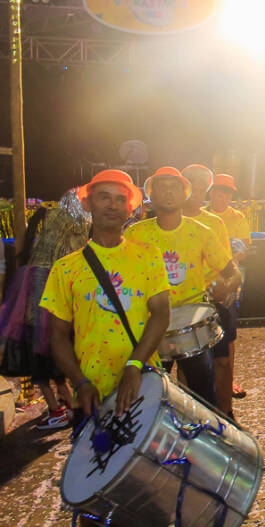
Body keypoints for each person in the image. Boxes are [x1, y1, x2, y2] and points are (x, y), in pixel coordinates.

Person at [40, 170, 171, 423]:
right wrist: (80, 382)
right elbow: (57, 336)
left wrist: (134, 366)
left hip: (143, 384)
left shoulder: (148, 256)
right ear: (88, 203)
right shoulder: (65, 268)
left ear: (130, 209)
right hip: (91, 396)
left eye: (121, 199)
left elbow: (161, 314)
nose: (113, 205)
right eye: (104, 197)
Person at [125, 167, 241, 412]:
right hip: (150, 327)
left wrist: (228, 286)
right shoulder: (135, 234)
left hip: (192, 327)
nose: (168, 193)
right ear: (151, 195)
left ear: (183, 194)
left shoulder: (201, 231)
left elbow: (234, 272)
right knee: (152, 397)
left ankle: (212, 428)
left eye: (174, 188)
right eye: (162, 188)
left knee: (204, 398)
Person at [0, 190, 90, 429]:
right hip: (52, 306)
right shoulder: (78, 226)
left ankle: (60, 410)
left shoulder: (53, 221)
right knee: (54, 364)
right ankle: (66, 408)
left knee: (43, 363)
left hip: (39, 306)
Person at [180, 164, 244, 412]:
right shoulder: (166, 223)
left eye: (201, 186)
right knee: (186, 366)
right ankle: (193, 416)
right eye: (192, 185)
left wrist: (226, 287)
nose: (197, 190)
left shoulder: (215, 223)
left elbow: (229, 265)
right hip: (181, 305)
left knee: (222, 362)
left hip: (213, 301)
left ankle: (226, 415)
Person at [204, 174, 251, 399]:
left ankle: (228, 380)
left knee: (228, 333)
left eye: (227, 192)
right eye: (218, 191)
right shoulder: (200, 215)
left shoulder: (237, 218)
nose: (222, 195)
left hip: (228, 280)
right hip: (201, 281)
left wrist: (224, 268)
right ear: (211, 192)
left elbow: (242, 250)